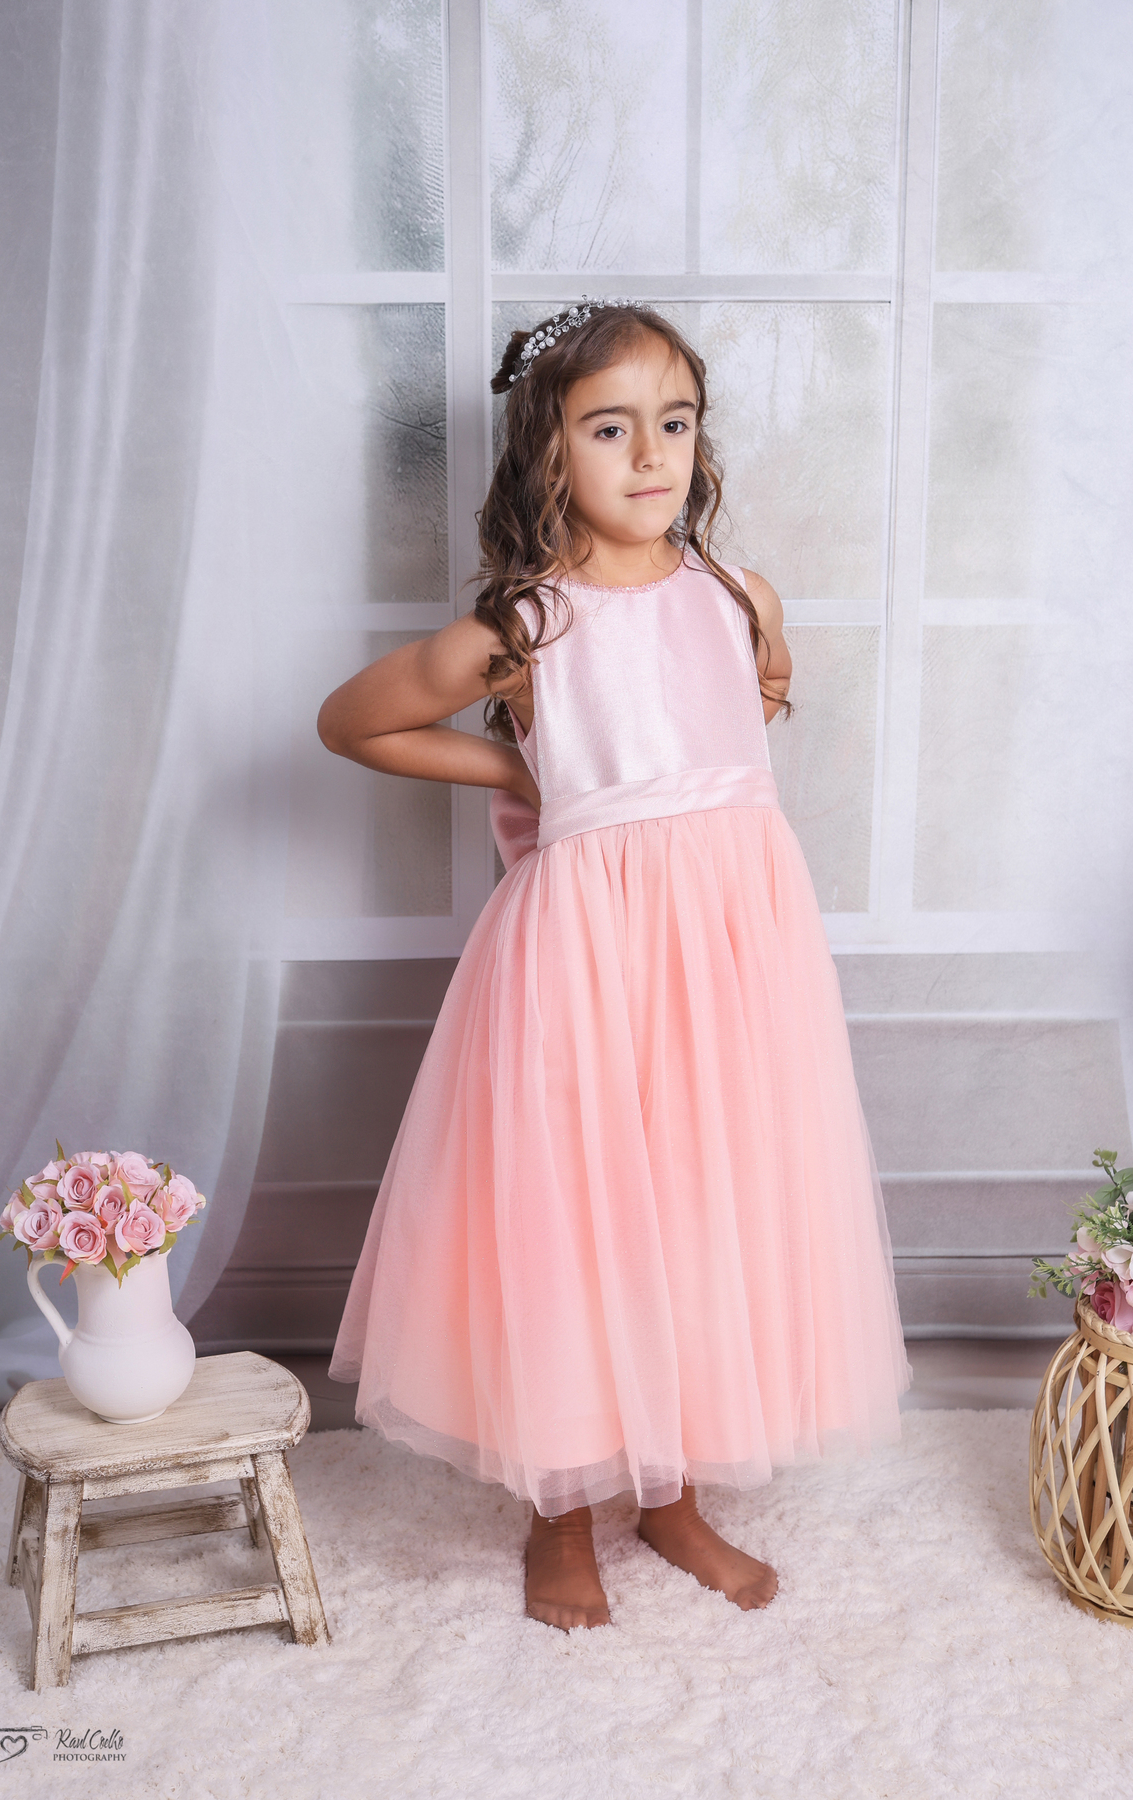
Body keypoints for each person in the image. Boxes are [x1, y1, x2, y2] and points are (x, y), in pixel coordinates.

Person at [319, 300, 909, 1632]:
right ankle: (562, 1513)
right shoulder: (527, 627)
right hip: (583, 968)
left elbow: (758, 695)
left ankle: (672, 1495)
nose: (652, 454)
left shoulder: (735, 597)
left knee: (703, 1208)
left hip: (732, 972)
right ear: (549, 450)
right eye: (609, 427)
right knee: (580, 1223)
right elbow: (353, 721)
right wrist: (527, 765)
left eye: (675, 421)